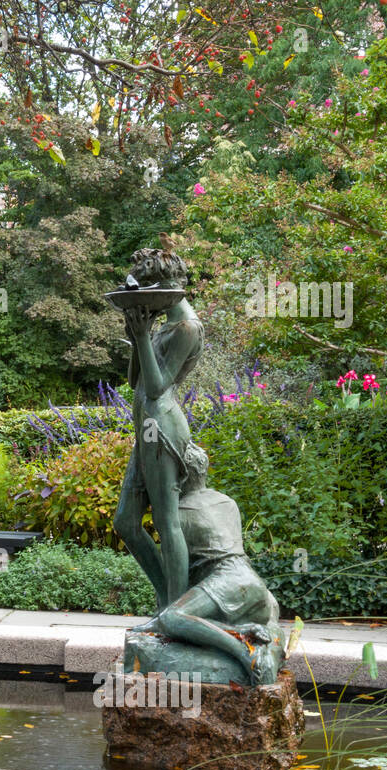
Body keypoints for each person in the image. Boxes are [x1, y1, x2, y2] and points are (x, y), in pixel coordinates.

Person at [147, 443, 285, 685]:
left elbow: (178, 583)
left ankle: (243, 652)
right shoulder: (228, 502)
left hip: (226, 582)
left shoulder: (176, 515)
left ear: (177, 475)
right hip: (256, 586)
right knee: (264, 624)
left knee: (171, 618)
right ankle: (256, 637)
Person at [112, 248, 204, 610]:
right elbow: (134, 378)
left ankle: (176, 609)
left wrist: (143, 335)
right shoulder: (164, 323)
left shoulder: (186, 327)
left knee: (168, 524)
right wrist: (139, 337)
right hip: (145, 430)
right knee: (126, 522)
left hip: (163, 429)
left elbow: (156, 386)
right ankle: (168, 600)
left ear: (163, 288)